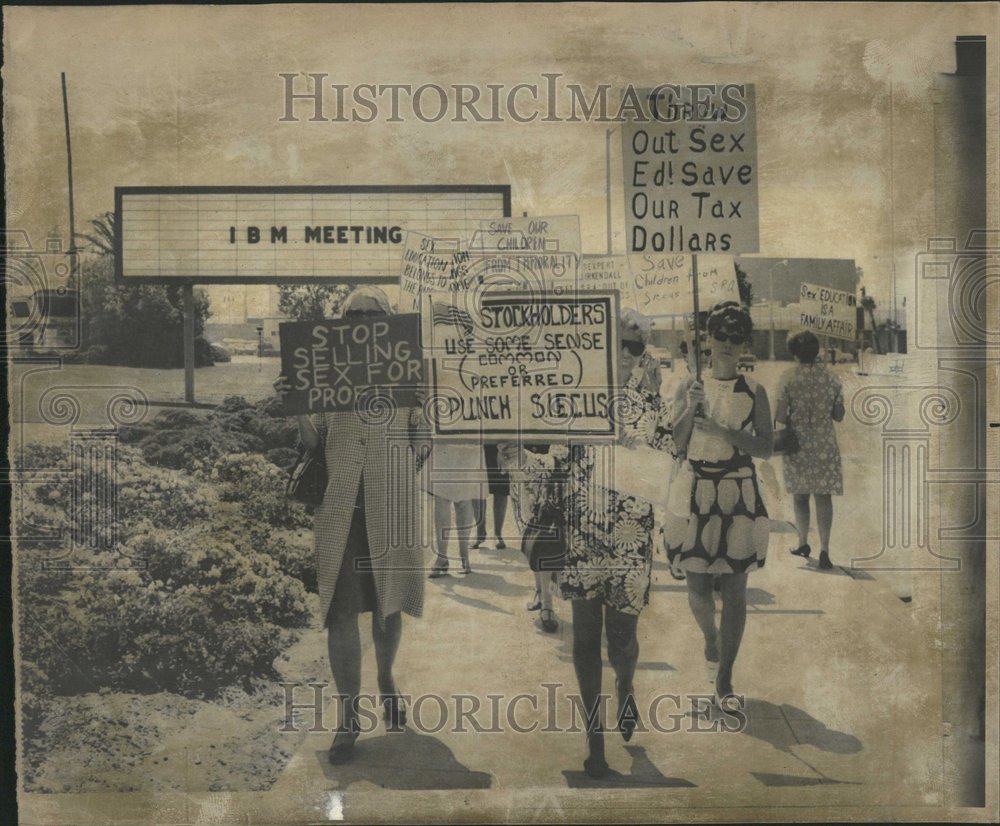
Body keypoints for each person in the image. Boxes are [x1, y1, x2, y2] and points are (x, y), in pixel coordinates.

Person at [502, 310, 673, 778]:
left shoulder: (652, 400)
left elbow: (667, 459)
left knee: (623, 639)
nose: (622, 353)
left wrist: (661, 409)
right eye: (614, 344)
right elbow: (554, 465)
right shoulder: (576, 400)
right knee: (583, 641)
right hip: (581, 535)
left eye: (633, 347)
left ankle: (626, 683)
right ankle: (594, 741)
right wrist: (518, 457)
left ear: (642, 356)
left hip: (630, 536)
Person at [273, 285, 427, 765]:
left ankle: (385, 677)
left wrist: (409, 452)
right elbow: (313, 443)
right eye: (351, 313)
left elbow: (424, 438)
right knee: (340, 613)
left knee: (388, 607)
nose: (360, 320)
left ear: (386, 319)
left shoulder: (407, 369)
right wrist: (297, 404)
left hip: (390, 504)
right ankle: (347, 717)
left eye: (370, 313)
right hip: (341, 505)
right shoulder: (325, 367)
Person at [667, 301, 773, 709]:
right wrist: (691, 413)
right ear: (708, 339)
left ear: (743, 343)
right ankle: (710, 638)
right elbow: (675, 443)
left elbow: (765, 446)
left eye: (735, 337)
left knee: (735, 587)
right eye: (721, 335)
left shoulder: (754, 391)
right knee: (696, 586)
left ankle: (725, 675)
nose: (727, 343)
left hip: (737, 490)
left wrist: (725, 431)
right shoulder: (687, 387)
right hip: (694, 487)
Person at [774, 330, 845, 570]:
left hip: (798, 444)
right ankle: (825, 549)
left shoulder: (787, 378)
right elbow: (839, 415)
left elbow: (781, 416)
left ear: (794, 352)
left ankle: (803, 541)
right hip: (825, 445)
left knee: (800, 496)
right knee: (823, 496)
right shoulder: (832, 378)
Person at [500, 442, 565, 633]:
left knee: (545, 533)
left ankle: (547, 603)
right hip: (523, 466)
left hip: (550, 463)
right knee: (533, 534)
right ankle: (540, 590)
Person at [425, 443, 480, 576]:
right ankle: (442, 556)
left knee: (464, 501)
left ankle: (464, 555)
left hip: (469, 446)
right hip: (444, 446)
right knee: (441, 500)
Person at [472, 444, 510, 551]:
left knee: (501, 490)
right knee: (477, 490)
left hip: (500, 444)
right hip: (478, 445)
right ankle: (480, 531)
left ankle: (498, 534)